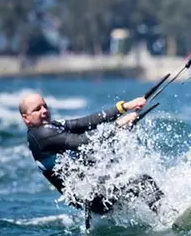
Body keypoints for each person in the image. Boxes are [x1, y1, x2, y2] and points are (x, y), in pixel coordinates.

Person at [19, 92, 164, 224]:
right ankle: (168, 217)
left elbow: (85, 122)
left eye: (45, 106)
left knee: (115, 165)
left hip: (92, 189)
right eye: (37, 109)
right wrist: (118, 125)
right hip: (91, 197)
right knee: (143, 183)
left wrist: (124, 107)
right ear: (26, 119)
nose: (44, 111)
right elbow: (83, 141)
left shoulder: (51, 127)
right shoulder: (41, 136)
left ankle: (158, 215)